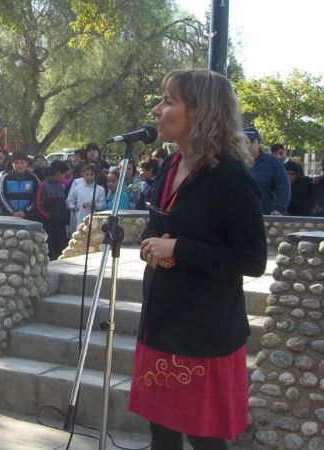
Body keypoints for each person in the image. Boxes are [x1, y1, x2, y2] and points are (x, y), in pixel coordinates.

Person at [134, 69, 267, 449]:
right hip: (161, 323)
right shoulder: (170, 167)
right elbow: (155, 226)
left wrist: (179, 250)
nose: (157, 110)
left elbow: (252, 258)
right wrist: (150, 245)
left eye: (169, 101)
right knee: (161, 433)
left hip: (204, 334)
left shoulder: (229, 176)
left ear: (200, 111)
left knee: (206, 439)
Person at [246, 127, 290, 215]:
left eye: (252, 141)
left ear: (259, 143)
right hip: (239, 216)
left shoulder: (273, 162)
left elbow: (284, 187)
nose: (249, 145)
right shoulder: (234, 162)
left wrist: (279, 208)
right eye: (245, 141)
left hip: (265, 215)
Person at [36, 161, 71, 259]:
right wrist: (50, 218)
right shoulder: (43, 185)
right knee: (50, 251)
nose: (65, 177)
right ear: (58, 174)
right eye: (64, 175)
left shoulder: (60, 186)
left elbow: (63, 203)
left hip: (61, 225)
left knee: (61, 251)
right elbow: (39, 205)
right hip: (49, 226)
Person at [0, 151, 39, 220]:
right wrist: (12, 212)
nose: (19, 165)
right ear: (12, 164)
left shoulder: (33, 178)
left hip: (29, 217)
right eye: (16, 163)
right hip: (9, 217)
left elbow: (37, 197)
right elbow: (1, 196)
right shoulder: (5, 178)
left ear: (27, 163)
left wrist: (25, 211)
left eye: (22, 162)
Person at [66, 164, 106, 233]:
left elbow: (102, 205)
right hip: (79, 217)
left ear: (95, 176)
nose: (89, 177)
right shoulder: (78, 188)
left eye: (91, 175)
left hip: (94, 219)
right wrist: (74, 208)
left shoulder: (100, 189)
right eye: (86, 175)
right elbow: (69, 201)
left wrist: (94, 205)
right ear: (83, 175)